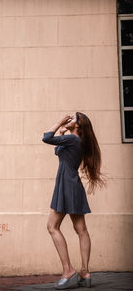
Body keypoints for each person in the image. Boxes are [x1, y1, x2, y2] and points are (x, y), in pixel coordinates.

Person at [42, 112, 107, 289]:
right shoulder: (75, 141)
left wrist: (58, 123)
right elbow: (58, 151)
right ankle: (85, 272)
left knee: (52, 227)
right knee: (81, 230)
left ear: (78, 126)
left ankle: (68, 270)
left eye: (72, 119)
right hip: (72, 185)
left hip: (66, 186)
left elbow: (46, 138)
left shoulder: (73, 140)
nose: (69, 120)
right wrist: (62, 133)